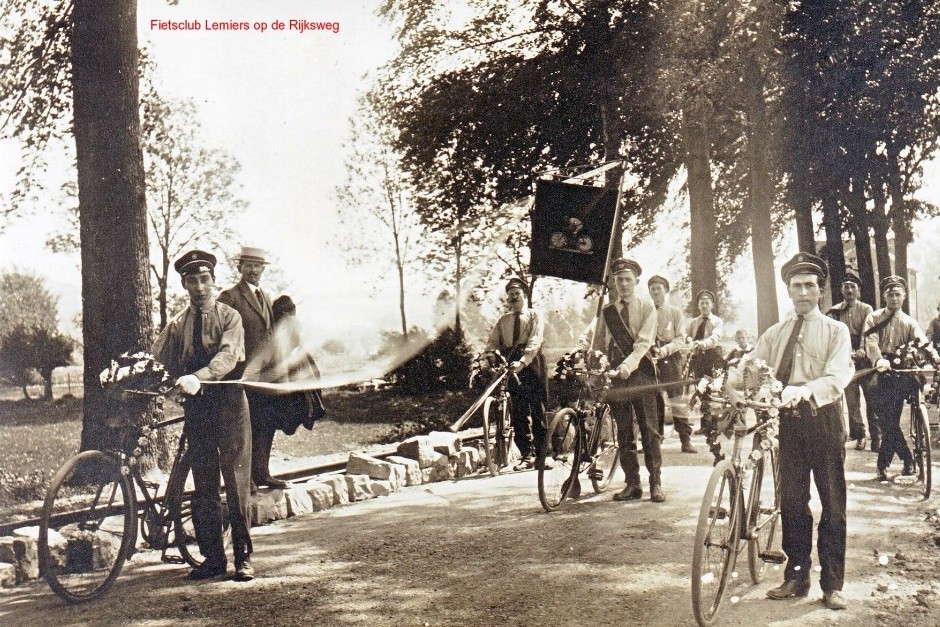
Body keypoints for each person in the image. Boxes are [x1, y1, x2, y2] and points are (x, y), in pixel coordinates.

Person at [737, 252, 852, 610]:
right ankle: (796, 575)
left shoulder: (836, 330)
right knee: (792, 502)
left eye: (810, 285)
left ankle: (832, 584)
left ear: (820, 291)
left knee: (832, 503)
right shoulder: (775, 334)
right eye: (796, 285)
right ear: (788, 290)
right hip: (789, 424)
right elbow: (752, 367)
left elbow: (837, 377)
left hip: (824, 420)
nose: (803, 292)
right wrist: (731, 379)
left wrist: (805, 390)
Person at [152, 249, 255, 581]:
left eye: (204, 280)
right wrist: (132, 375)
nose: (199, 287)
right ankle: (213, 558)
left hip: (229, 405)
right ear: (184, 285)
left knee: (236, 482)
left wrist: (201, 377)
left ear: (213, 281)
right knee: (204, 483)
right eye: (192, 281)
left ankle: (243, 557)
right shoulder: (178, 324)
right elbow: (158, 360)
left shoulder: (230, 317)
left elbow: (230, 355)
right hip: (198, 410)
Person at [581, 258, 663, 502]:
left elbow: (643, 344)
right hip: (616, 376)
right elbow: (596, 342)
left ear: (636, 281)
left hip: (641, 373)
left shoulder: (648, 308)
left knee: (649, 430)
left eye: (628, 279)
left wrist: (628, 365)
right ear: (614, 283)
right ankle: (632, 484)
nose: (624, 284)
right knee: (624, 431)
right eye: (619, 280)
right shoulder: (607, 312)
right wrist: (589, 360)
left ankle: (655, 483)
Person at [218, 246, 286, 490]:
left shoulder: (265, 297)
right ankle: (244, 481)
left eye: (258, 266)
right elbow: (223, 335)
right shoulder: (229, 297)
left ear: (263, 269)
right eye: (249, 265)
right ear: (240, 268)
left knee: (265, 423)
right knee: (244, 429)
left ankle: (262, 473)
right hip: (242, 374)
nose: (254, 270)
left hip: (265, 375)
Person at [863, 275, 939, 482]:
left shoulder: (909, 322)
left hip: (900, 375)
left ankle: (886, 465)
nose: (894, 298)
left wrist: (934, 357)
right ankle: (907, 459)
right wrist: (878, 359)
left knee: (890, 422)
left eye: (898, 294)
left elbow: (922, 342)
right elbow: (871, 342)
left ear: (904, 296)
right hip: (880, 372)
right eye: (890, 294)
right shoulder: (874, 318)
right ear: (884, 296)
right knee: (887, 420)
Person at [485, 277, 547, 471]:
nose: (513, 298)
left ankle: (543, 455)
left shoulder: (534, 315)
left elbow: (535, 340)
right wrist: (487, 359)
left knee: (539, 409)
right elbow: (492, 343)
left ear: (525, 296)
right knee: (518, 411)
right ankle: (526, 456)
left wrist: (524, 360)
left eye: (517, 294)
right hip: (512, 365)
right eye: (510, 295)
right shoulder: (503, 320)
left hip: (533, 364)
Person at [647, 274, 696, 454]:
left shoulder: (675, 313)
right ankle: (655, 440)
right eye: (652, 289)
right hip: (648, 357)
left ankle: (685, 439)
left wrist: (665, 350)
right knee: (652, 398)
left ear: (666, 291)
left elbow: (680, 339)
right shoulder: (646, 310)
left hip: (670, 357)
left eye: (659, 288)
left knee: (677, 397)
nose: (656, 292)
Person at [827, 274, 877, 451]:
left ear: (858, 291)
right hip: (845, 358)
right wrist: (844, 353)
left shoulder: (866, 309)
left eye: (852, 287)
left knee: (871, 397)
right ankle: (860, 435)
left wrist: (863, 349)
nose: (849, 290)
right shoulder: (835, 312)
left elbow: (868, 331)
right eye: (846, 287)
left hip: (865, 359)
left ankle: (876, 436)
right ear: (841, 290)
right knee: (852, 400)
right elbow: (832, 335)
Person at [267, 294, 326, 434]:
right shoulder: (290, 323)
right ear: (288, 312)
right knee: (296, 399)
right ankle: (297, 419)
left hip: (289, 365)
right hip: (290, 366)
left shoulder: (278, 326)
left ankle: (294, 419)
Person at [687, 289, 725, 434]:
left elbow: (715, 338)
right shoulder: (693, 322)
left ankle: (715, 426)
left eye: (707, 303)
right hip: (699, 359)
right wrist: (690, 341)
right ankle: (705, 425)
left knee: (714, 390)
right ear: (698, 305)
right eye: (701, 303)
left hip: (713, 357)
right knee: (701, 389)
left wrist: (703, 343)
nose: (704, 306)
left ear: (712, 305)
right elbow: (686, 335)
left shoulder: (717, 321)